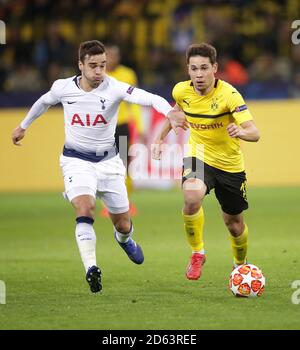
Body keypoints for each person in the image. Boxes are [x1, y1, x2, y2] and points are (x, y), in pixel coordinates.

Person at [12, 40, 187, 293]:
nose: (98, 71)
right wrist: (23, 126)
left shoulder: (114, 87)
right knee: (85, 207)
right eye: (93, 65)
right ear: (80, 65)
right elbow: (43, 101)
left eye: (102, 65)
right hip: (75, 160)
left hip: (109, 163)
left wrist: (169, 112)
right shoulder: (63, 88)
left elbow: (148, 98)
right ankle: (91, 268)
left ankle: (124, 240)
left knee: (123, 224)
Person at [152, 43, 260, 281]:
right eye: (193, 69)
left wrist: (240, 132)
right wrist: (159, 139)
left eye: (203, 68)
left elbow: (255, 132)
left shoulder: (229, 95)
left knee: (234, 224)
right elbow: (175, 114)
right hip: (198, 154)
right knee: (191, 198)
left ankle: (240, 265)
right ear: (187, 70)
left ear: (215, 68)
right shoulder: (181, 91)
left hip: (230, 165)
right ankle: (197, 253)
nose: (199, 74)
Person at [101, 44, 144, 217]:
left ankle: (126, 202)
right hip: (104, 127)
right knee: (105, 166)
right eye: (109, 56)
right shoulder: (99, 75)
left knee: (126, 165)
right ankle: (109, 204)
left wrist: (139, 125)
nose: (112, 59)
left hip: (123, 125)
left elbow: (133, 102)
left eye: (115, 55)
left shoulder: (128, 74)